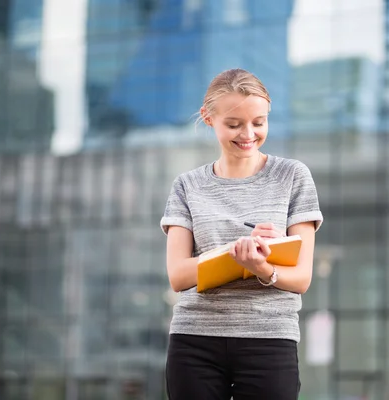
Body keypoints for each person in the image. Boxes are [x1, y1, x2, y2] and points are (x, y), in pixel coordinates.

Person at [160, 68, 323, 400]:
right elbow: (178, 276)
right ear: (209, 118)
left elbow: (301, 277)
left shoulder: (293, 176)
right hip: (195, 340)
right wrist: (235, 252)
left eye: (258, 122)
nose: (248, 133)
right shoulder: (187, 186)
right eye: (234, 124)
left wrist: (262, 265)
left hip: (269, 338)